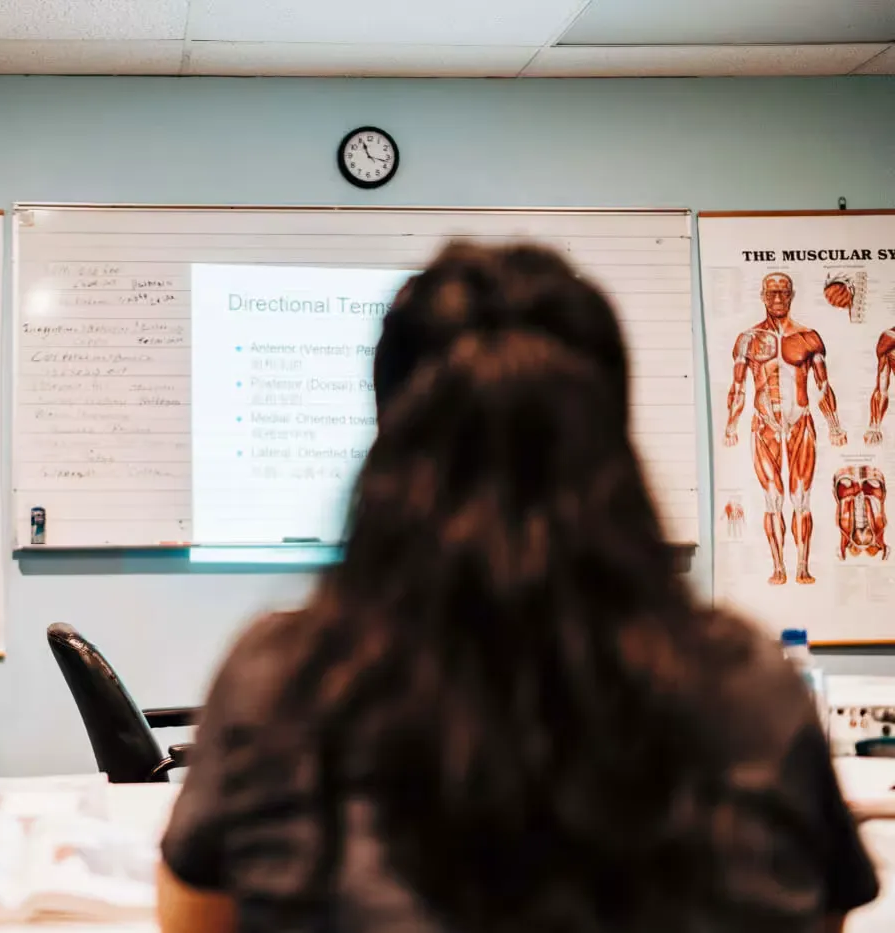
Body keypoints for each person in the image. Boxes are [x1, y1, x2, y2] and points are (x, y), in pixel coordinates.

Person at [157, 244, 879, 933]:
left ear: (389, 437)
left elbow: (196, 919)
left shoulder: (279, 682)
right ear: (612, 434)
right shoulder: (750, 689)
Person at [723, 271, 846, 586]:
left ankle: (802, 566)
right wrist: (731, 424)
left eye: (784, 293)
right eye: (772, 293)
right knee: (773, 497)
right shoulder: (748, 339)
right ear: (763, 295)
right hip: (764, 425)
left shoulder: (808, 337)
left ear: (792, 296)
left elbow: (822, 385)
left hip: (800, 422)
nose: (778, 299)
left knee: (801, 497)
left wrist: (833, 425)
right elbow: (737, 386)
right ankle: (779, 567)